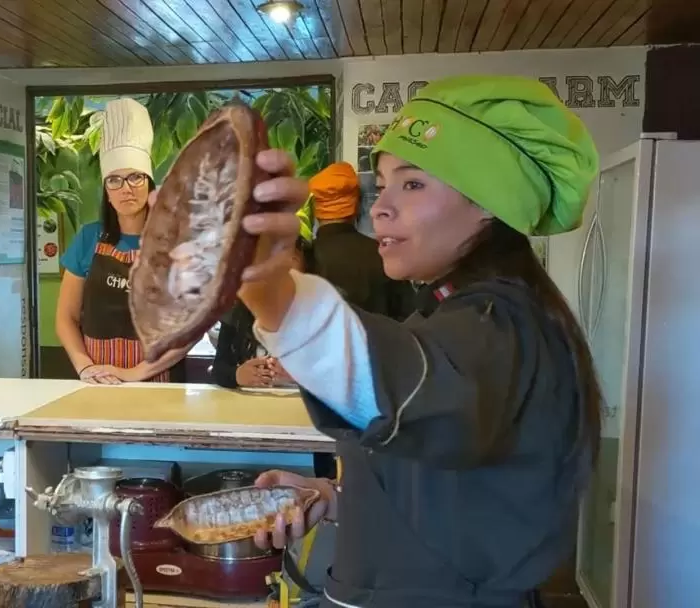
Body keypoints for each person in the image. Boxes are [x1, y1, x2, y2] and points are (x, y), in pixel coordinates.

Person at [235, 76, 602, 607]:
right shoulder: (454, 309)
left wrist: (268, 285)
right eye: (381, 185)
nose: (380, 207)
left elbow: (396, 390)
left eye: (412, 184)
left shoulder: (498, 323)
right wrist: (335, 499)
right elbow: (453, 491)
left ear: (489, 203)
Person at [56, 98, 188, 385]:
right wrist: (86, 368)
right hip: (96, 383)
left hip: (159, 382)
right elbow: (65, 317)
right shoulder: (88, 238)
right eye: (114, 180)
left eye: (134, 178)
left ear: (149, 182)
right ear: (105, 189)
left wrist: (133, 374)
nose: (125, 189)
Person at [309, 161, 415, 320]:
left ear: (315, 209)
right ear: (357, 204)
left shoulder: (303, 258)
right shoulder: (384, 255)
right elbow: (410, 317)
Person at [210, 235, 311, 390]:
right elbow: (219, 369)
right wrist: (237, 375)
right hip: (252, 407)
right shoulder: (240, 309)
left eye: (290, 259)